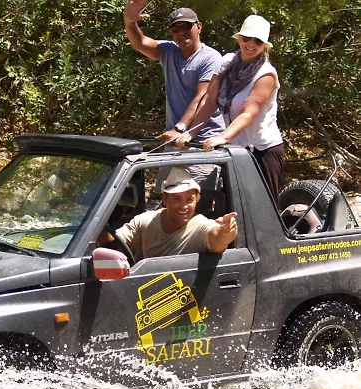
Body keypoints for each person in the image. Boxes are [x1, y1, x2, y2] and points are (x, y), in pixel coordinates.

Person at [176, 15, 284, 206]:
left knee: (262, 207)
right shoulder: (226, 62)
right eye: (247, 38)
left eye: (258, 41)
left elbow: (248, 113)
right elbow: (210, 101)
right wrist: (191, 132)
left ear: (264, 46)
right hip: (235, 148)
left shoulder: (265, 73)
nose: (251, 44)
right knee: (232, 204)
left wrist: (221, 137)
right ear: (239, 38)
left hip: (262, 149)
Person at [123, 0, 225, 142]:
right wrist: (129, 21)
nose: (181, 32)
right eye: (176, 29)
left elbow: (202, 98)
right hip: (174, 137)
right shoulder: (168, 51)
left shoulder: (211, 58)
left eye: (186, 26)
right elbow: (140, 43)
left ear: (199, 27)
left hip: (204, 140)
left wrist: (179, 128)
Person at [99, 167, 238, 259]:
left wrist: (226, 232)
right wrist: (97, 223)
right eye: (176, 198)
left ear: (197, 200)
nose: (184, 206)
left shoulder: (202, 225)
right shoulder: (146, 220)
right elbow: (114, 245)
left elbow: (217, 240)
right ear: (165, 199)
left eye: (189, 199)